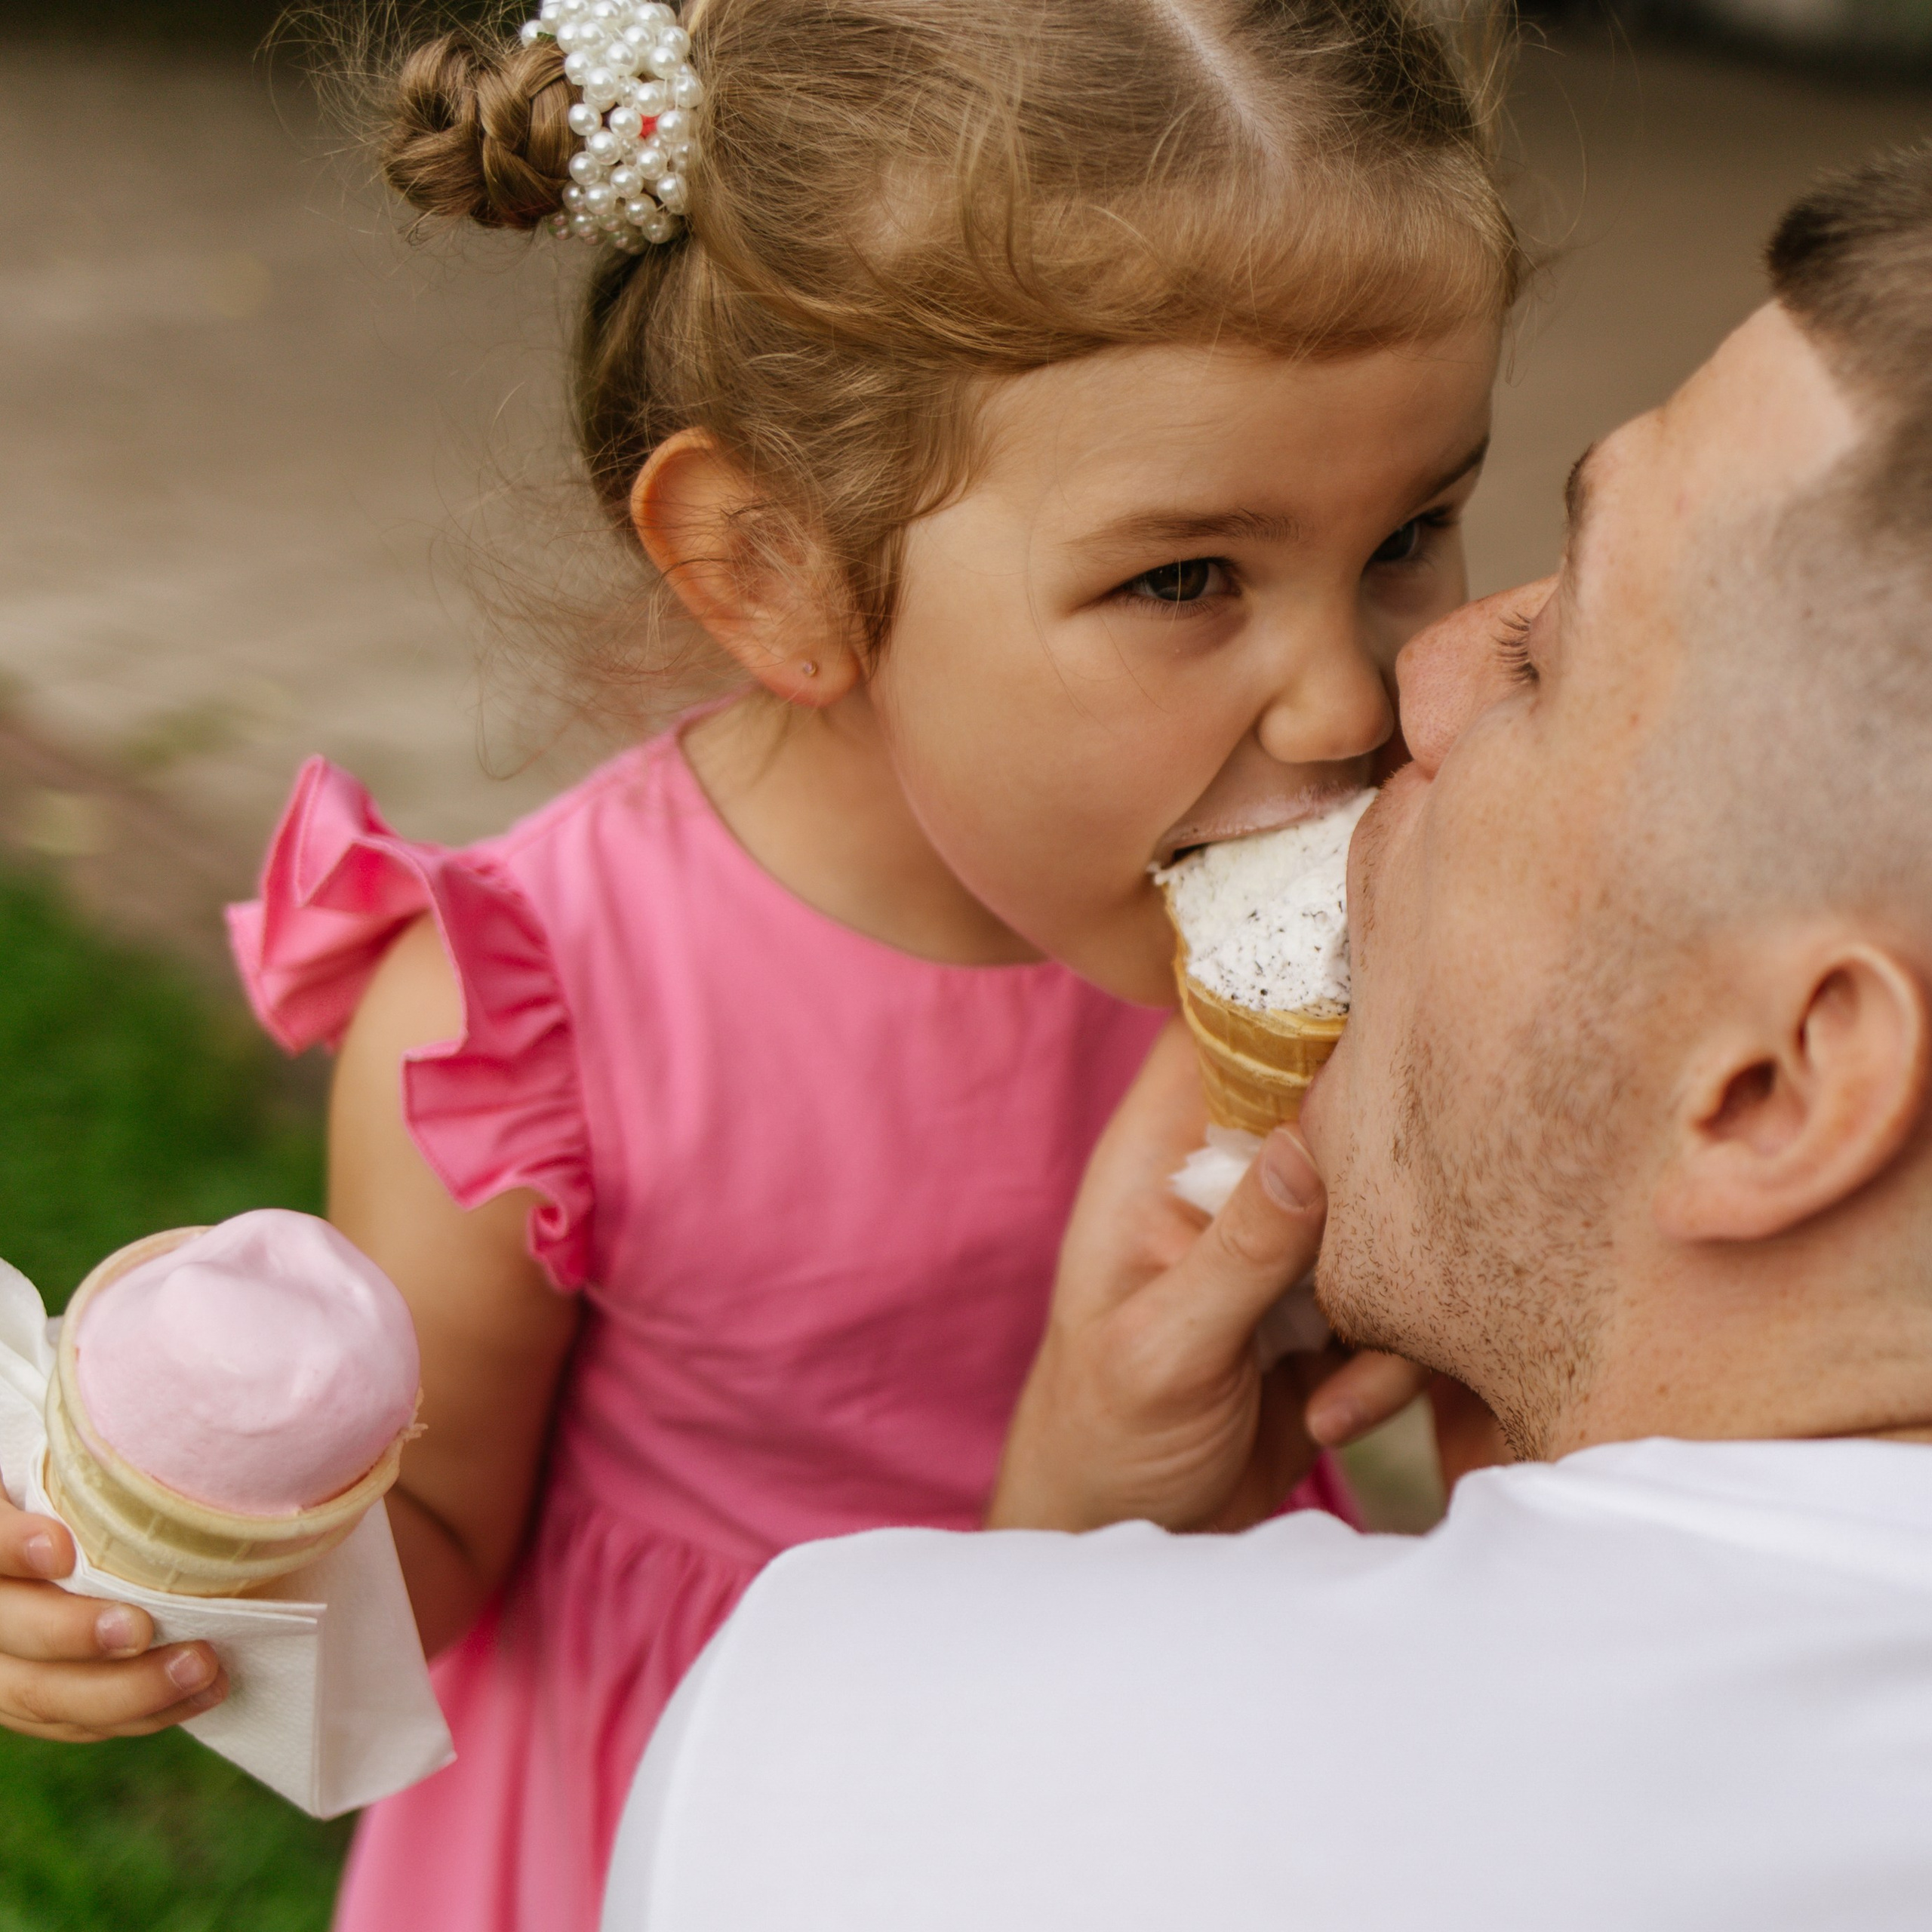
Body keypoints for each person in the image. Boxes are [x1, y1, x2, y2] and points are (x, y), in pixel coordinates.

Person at [0, 5, 1525, 1930]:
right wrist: (164, 1556)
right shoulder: (524, 1015)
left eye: (1409, 532)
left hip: (1178, 1759)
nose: (1344, 693)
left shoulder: (1398, 905)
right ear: (772, 567)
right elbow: (441, 1545)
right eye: (1181, 578)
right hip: (683, 1814)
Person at [601, 144, 1932, 1932]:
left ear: (1776, 1087)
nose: (1399, 683)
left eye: (1549, 656)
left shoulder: (847, 1759)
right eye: (1184, 577)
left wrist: (1048, 1599)